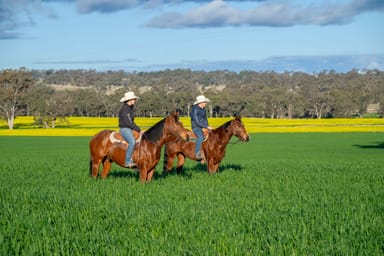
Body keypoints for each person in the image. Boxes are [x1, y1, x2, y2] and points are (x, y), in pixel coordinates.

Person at [118, 91, 141, 168]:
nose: (135, 100)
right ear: (130, 100)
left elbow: (132, 122)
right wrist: (138, 130)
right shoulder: (125, 109)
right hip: (125, 129)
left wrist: (139, 129)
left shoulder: (130, 108)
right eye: (134, 99)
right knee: (132, 142)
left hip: (130, 128)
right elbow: (128, 123)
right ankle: (127, 161)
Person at [190, 95, 212, 161]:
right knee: (201, 137)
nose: (205, 103)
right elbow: (197, 121)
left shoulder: (203, 109)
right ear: (200, 103)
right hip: (196, 127)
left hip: (204, 127)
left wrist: (208, 127)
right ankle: (197, 153)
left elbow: (205, 119)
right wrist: (206, 126)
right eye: (204, 102)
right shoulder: (195, 109)